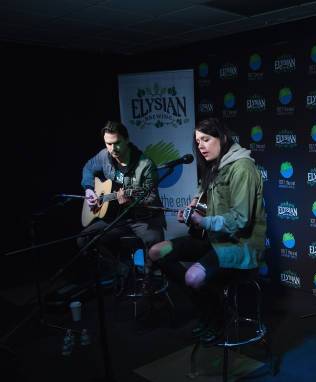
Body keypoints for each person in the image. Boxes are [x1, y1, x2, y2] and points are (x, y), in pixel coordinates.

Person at [149, 118, 266, 343]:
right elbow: (201, 193)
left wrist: (204, 222)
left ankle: (217, 317)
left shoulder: (242, 168)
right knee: (157, 252)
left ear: (221, 138)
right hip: (214, 239)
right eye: (197, 141)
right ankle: (207, 308)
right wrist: (190, 207)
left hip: (240, 245)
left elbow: (241, 220)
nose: (200, 146)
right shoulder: (213, 164)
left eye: (206, 139)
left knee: (193, 277)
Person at [78, 121, 165, 272]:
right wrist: (89, 189)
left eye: (117, 143)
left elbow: (151, 197)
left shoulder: (146, 165)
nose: (113, 149)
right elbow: (88, 167)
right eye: (108, 144)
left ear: (127, 139)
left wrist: (131, 200)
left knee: (155, 242)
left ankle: (148, 280)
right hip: (117, 217)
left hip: (143, 218)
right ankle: (121, 270)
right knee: (84, 239)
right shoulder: (104, 156)